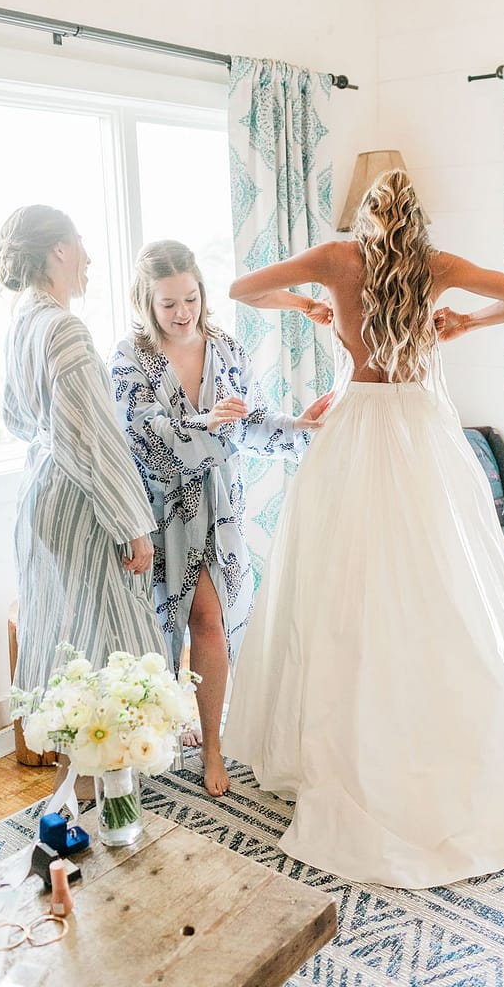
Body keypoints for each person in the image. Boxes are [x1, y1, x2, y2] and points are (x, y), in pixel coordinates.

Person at [222, 169, 504, 889]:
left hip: (357, 425)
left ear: (365, 217)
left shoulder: (335, 261)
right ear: (416, 220)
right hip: (419, 428)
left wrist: (308, 307)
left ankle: (346, 733)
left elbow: (242, 292)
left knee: (336, 582)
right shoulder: (436, 267)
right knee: (441, 580)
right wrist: (464, 322)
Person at [109, 240, 332, 797]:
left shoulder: (226, 348)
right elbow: (143, 439)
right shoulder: (130, 359)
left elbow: (249, 423)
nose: (183, 312)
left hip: (219, 511)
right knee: (156, 632)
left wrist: (299, 428)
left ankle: (213, 745)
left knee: (210, 623)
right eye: (168, 304)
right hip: (157, 514)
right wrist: (207, 425)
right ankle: (147, 739)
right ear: (146, 301)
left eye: (191, 298)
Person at [0, 205, 170, 789]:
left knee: (65, 632)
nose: (89, 258)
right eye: (80, 244)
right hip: (80, 501)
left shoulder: (24, 322)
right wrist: (134, 524)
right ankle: (106, 783)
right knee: (107, 637)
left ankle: (80, 781)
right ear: (58, 252)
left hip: (40, 495)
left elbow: (17, 420)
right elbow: (96, 438)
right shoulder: (64, 329)